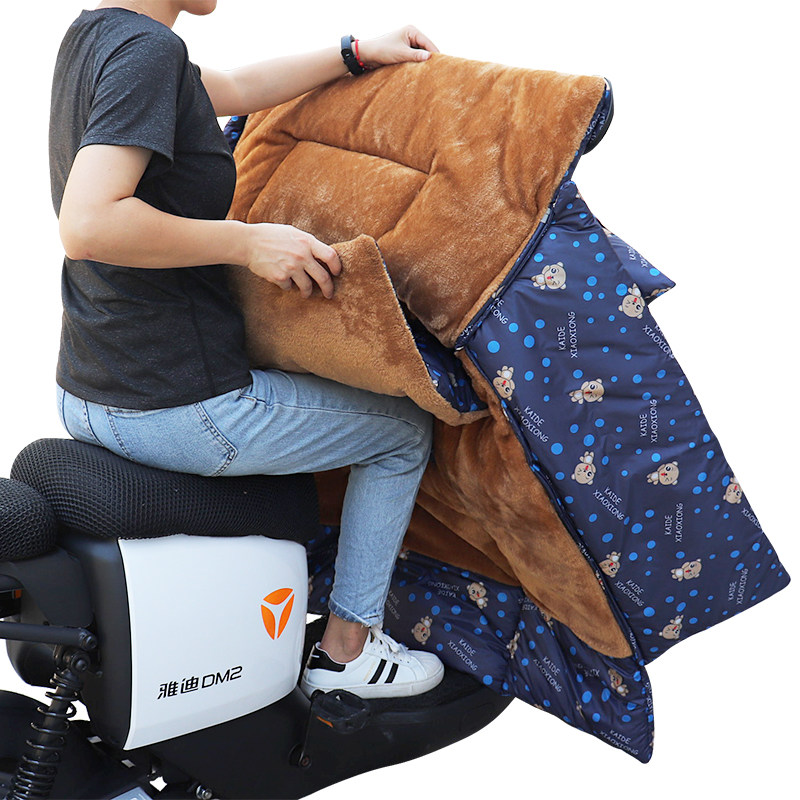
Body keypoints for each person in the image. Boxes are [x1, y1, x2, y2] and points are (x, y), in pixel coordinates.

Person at [51, 0, 444, 699]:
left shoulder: (97, 36)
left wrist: (355, 52)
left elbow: (236, 87)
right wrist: (249, 242)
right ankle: (345, 655)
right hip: (174, 400)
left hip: (89, 390)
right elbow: (88, 223)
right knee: (403, 431)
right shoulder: (148, 52)